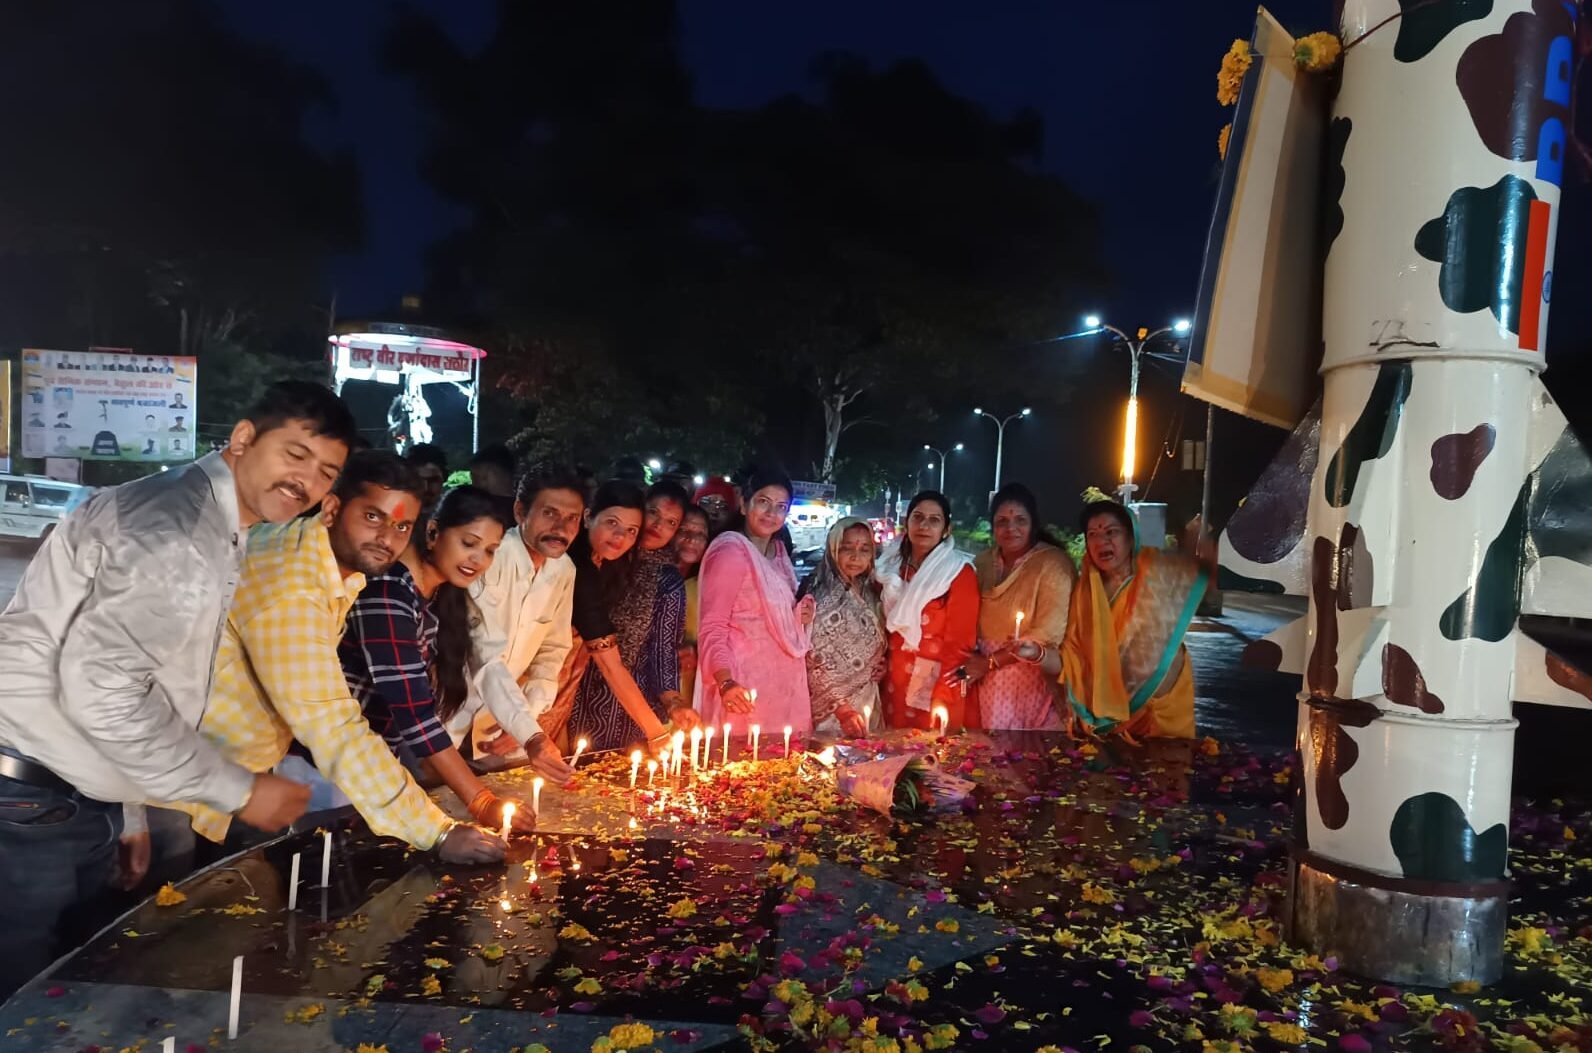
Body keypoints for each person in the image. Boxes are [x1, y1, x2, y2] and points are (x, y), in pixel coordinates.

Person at [0, 380, 352, 997]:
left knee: (73, 991)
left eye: (325, 472)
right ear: (243, 438)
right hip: (34, 801)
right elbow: (107, 692)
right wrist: (239, 790)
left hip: (72, 795)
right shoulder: (179, 532)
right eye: (295, 454)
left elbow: (140, 677)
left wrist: (131, 808)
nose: (307, 481)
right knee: (26, 1000)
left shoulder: (207, 520)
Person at [165, 450, 506, 862]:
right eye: (373, 517)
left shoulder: (348, 575)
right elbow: (333, 723)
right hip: (181, 776)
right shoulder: (299, 584)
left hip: (231, 772)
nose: (387, 538)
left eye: (401, 526)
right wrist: (438, 830)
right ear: (332, 508)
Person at [339, 484, 536, 833]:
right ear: (433, 532)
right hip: (329, 768)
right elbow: (414, 715)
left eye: (490, 551)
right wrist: (482, 801)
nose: (479, 560)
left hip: (372, 761)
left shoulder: (433, 595)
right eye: (469, 543)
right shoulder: (386, 593)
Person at [463, 464, 584, 776]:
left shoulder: (563, 570)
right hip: (449, 715)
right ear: (520, 511)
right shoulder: (490, 557)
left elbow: (553, 650)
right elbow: (483, 656)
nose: (562, 527)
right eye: (550, 513)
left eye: (572, 518)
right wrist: (527, 731)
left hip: (502, 731)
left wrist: (525, 720)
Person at [541, 482, 677, 750]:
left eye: (631, 531)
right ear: (589, 517)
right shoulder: (577, 568)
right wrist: (657, 733)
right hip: (531, 684)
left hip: (557, 686)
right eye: (612, 523)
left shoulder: (605, 565)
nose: (620, 536)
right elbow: (609, 663)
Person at [1061, 501, 1213, 741]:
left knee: (1167, 772)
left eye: (1111, 532)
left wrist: (1196, 538)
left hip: (1161, 708)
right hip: (1107, 715)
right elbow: (1074, 653)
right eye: (1093, 535)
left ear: (1131, 538)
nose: (1102, 541)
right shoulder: (1084, 592)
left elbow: (1200, 573)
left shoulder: (1157, 573)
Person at [570, 480, 699, 751]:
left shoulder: (667, 579)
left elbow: (663, 650)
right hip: (574, 687)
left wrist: (673, 701)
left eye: (671, 522)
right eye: (653, 513)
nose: (658, 525)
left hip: (630, 702)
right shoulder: (600, 559)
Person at [695, 467, 815, 733]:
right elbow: (713, 627)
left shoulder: (780, 553)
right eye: (763, 502)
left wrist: (799, 616)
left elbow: (777, 615)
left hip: (784, 688)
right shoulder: (731, 553)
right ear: (743, 504)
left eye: (781, 506)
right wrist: (726, 683)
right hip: (742, 688)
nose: (772, 513)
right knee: (742, 771)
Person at [964, 484, 1076, 730]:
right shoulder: (982, 563)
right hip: (983, 682)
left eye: (1020, 520)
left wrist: (991, 662)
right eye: (1002, 520)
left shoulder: (1053, 564)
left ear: (1033, 524)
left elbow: (1048, 634)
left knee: (1025, 759)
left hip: (1031, 680)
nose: (1010, 528)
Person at [876, 491, 979, 732]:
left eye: (934, 520)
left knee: (932, 760)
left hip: (938, 682)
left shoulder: (958, 572)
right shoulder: (889, 567)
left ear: (946, 529)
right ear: (907, 522)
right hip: (892, 681)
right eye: (918, 517)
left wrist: (945, 693)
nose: (924, 525)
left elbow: (960, 644)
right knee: (892, 751)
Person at [796, 517, 887, 737]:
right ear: (833, 549)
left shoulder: (872, 593)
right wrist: (843, 709)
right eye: (847, 548)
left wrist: (883, 667)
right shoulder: (816, 594)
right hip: (832, 710)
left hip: (868, 697)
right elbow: (811, 659)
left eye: (865, 549)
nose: (856, 557)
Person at [672, 504, 710, 701]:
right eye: (684, 531)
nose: (692, 539)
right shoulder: (648, 578)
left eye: (701, 534)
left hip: (692, 685)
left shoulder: (705, 585)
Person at [406, 442, 449, 518]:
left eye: (433, 481)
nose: (426, 488)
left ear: (444, 478)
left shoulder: (456, 515)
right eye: (418, 480)